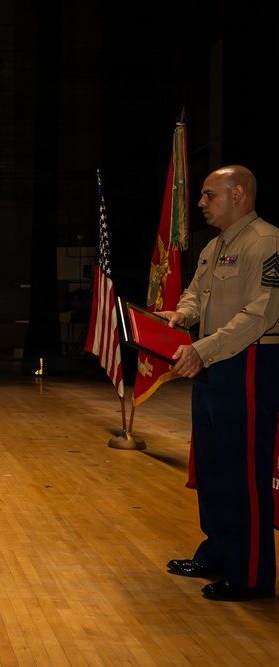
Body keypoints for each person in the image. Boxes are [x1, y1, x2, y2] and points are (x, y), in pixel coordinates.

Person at [158, 165, 279, 602]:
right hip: (212, 362)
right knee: (212, 466)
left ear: (239, 193)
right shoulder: (215, 246)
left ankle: (251, 574)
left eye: (210, 195)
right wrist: (181, 316)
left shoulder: (265, 241)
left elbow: (260, 315)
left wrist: (202, 348)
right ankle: (217, 552)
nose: (202, 203)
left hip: (247, 362)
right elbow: (194, 293)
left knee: (243, 471)